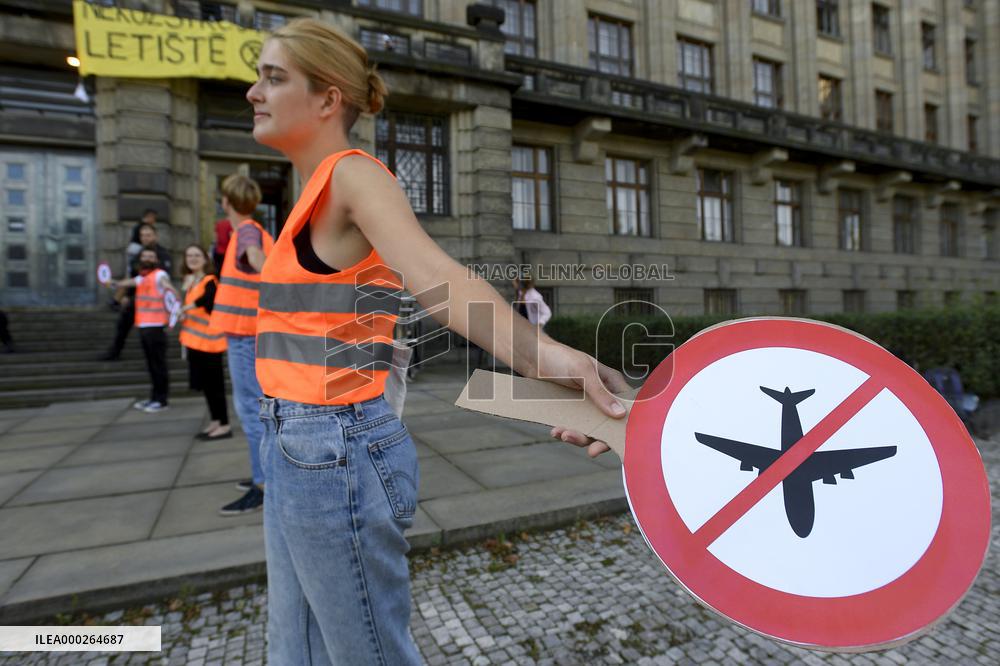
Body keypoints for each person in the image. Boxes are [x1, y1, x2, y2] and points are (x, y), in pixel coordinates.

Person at [246, 19, 628, 664]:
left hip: (332, 449)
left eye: (273, 77)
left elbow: (437, 279)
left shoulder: (353, 176)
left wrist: (551, 359)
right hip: (295, 442)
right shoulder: (310, 194)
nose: (254, 91)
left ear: (327, 98)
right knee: (294, 651)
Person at [209, 174, 273, 515]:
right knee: (254, 409)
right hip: (249, 332)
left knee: (250, 411)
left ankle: (262, 484)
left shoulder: (247, 231)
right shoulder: (256, 231)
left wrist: (271, 272)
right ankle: (261, 475)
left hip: (245, 334)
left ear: (226, 202)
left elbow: (259, 260)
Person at [108, 247, 177, 413]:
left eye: (151, 255)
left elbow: (169, 289)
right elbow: (125, 283)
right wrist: (110, 281)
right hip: (145, 326)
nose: (147, 258)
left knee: (158, 365)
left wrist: (174, 305)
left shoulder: (159, 275)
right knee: (152, 365)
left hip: (155, 327)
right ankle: (154, 398)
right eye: (145, 255)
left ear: (156, 260)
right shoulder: (142, 277)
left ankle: (161, 400)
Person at [178, 245, 231, 440]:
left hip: (210, 343)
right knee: (207, 387)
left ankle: (224, 425)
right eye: (189, 255)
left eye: (196, 255)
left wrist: (187, 307)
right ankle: (215, 421)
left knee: (216, 386)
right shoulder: (191, 281)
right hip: (195, 342)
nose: (192, 258)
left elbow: (208, 301)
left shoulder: (210, 281)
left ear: (205, 259)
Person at [100, 223, 173, 361]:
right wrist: (125, 295)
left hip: (156, 304)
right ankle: (115, 352)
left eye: (148, 235)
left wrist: (171, 300)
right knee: (123, 324)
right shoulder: (137, 254)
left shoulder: (163, 254)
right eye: (142, 235)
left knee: (154, 334)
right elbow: (133, 278)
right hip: (138, 298)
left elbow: (164, 279)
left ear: (155, 236)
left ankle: (158, 356)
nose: (145, 238)